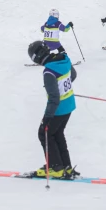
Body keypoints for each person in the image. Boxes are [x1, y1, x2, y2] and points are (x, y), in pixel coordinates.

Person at [27, 40, 79, 179]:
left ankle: (55, 167)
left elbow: (54, 98)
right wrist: (62, 86)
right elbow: (72, 75)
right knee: (57, 134)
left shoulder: (49, 71)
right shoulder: (64, 59)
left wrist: (47, 117)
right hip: (69, 105)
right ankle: (65, 167)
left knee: (44, 133)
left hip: (59, 108)